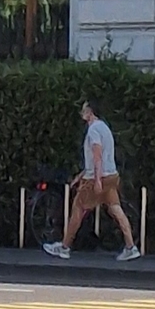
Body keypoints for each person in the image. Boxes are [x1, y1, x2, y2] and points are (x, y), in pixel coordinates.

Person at [45, 96, 140, 260]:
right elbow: (100, 156)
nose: (82, 112)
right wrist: (81, 175)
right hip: (111, 176)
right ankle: (130, 246)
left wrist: (95, 179)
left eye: (84, 109)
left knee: (78, 209)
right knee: (116, 209)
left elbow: (97, 154)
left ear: (90, 112)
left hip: (97, 178)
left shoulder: (93, 130)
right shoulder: (104, 128)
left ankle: (65, 246)